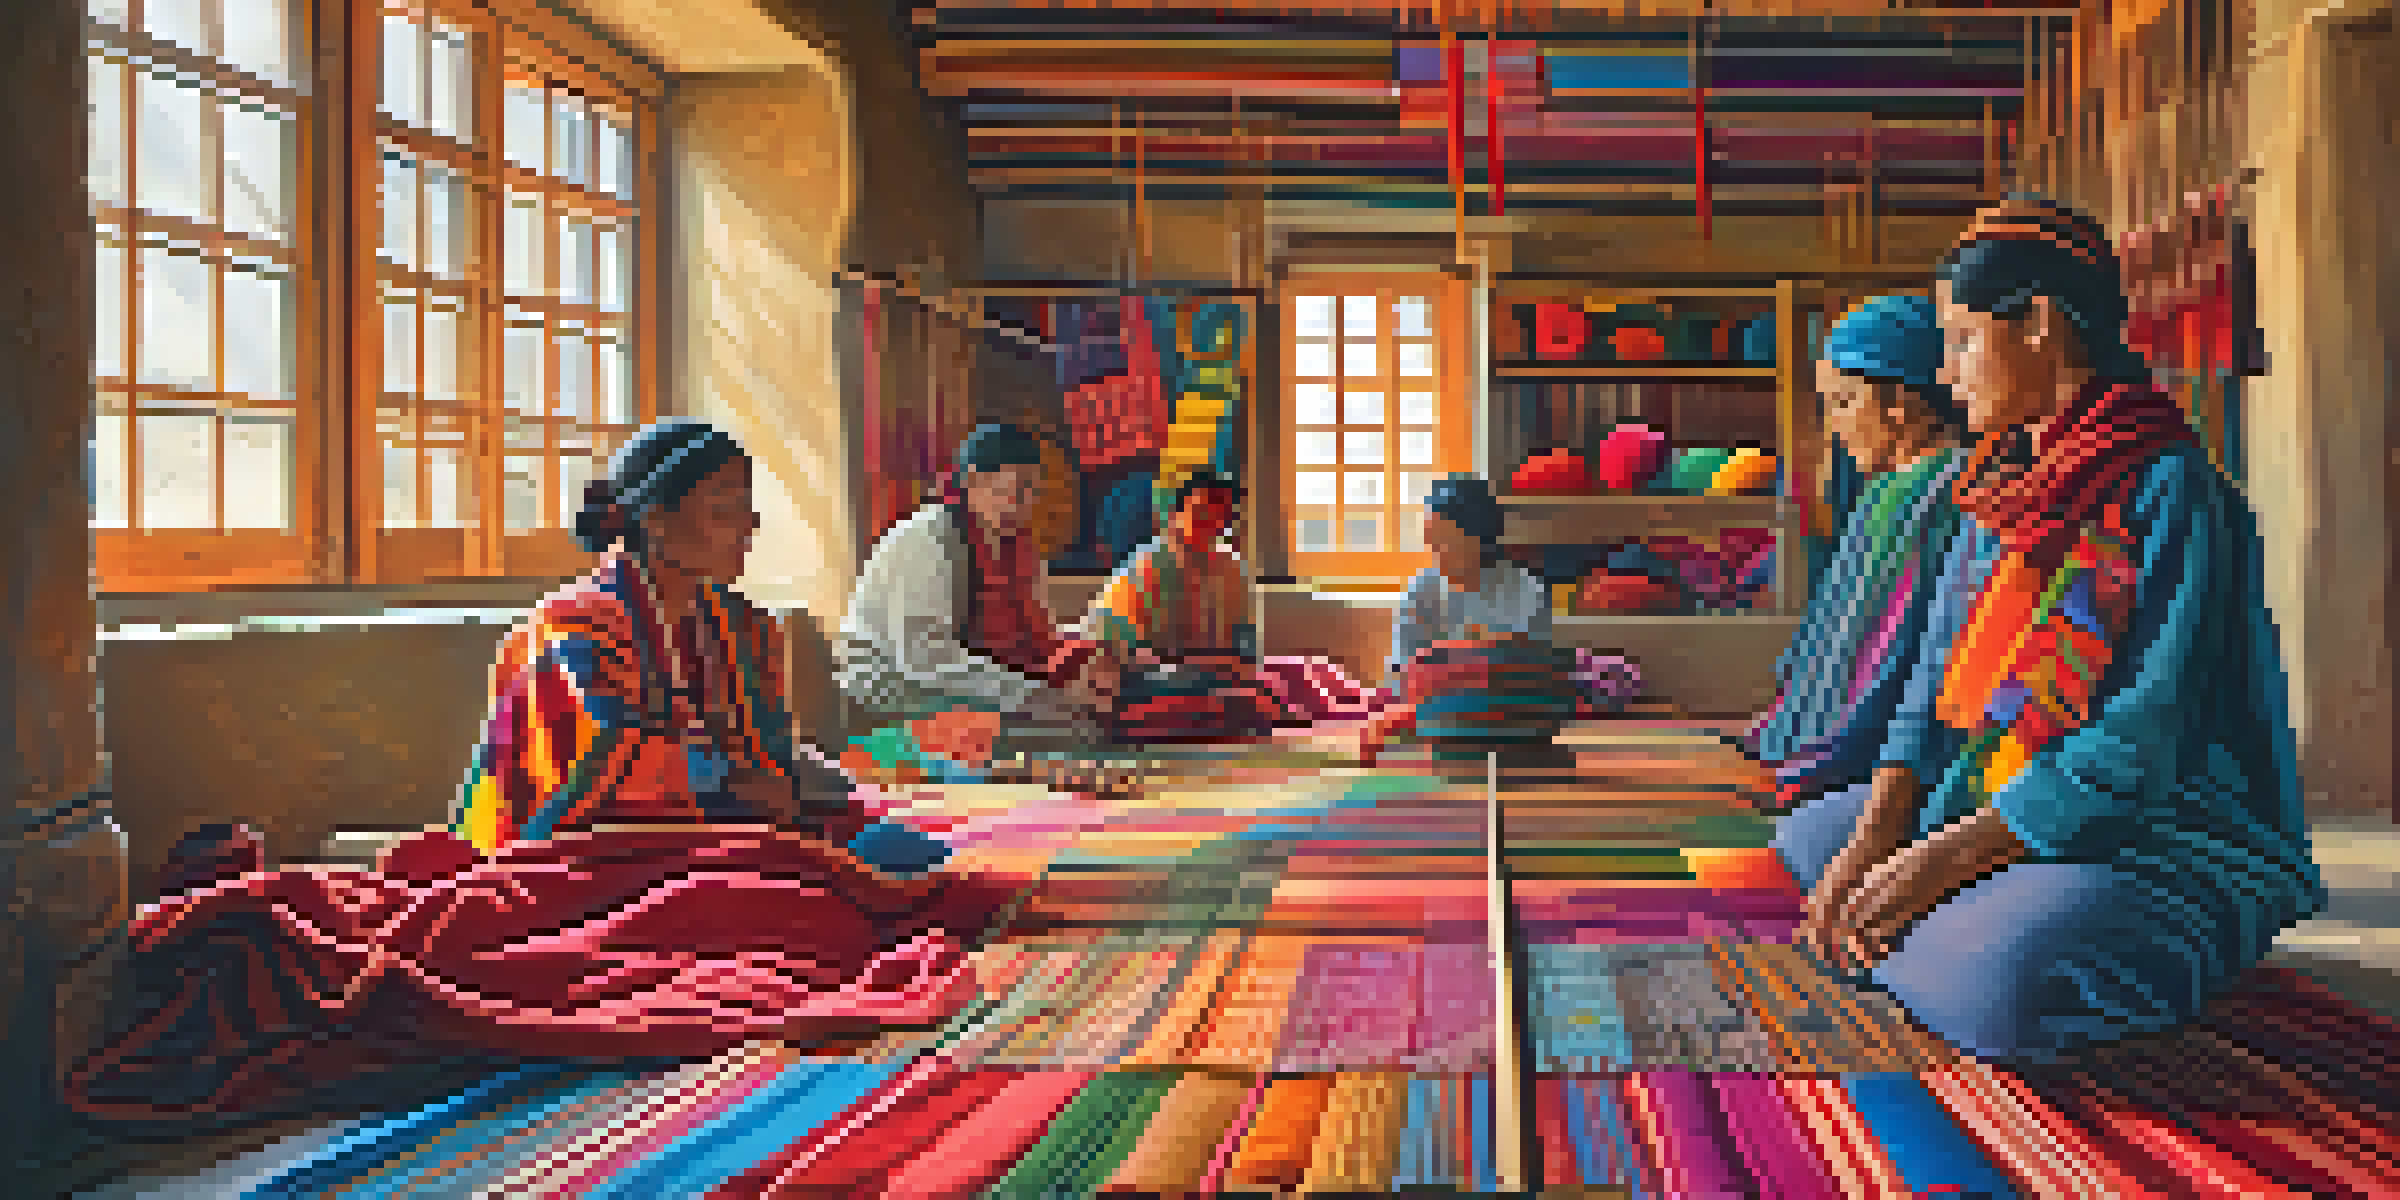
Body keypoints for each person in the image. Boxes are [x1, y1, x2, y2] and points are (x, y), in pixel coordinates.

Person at [68, 421, 1021, 1121]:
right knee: (800, 920)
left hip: (726, 823)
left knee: (915, 867)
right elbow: (591, 776)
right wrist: (744, 790)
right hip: (582, 848)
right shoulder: (568, 632)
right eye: (727, 510)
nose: (746, 530)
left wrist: (825, 796)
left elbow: (772, 745)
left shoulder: (744, 628)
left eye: (748, 511)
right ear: (656, 519)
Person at [1776, 195, 2324, 1063]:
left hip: (2160, 836)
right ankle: (1940, 933)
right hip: (1994, 803)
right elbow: (1927, 689)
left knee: (2000, 983)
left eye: (1960, 344)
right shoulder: (1990, 492)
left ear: (2034, 324)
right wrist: (1880, 839)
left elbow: (2139, 744)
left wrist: (1932, 868)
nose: (1947, 376)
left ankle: (1964, 945)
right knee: (1812, 837)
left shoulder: (2171, 491)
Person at [1750, 295, 1968, 818]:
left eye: (1845, 402)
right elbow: (1838, 623)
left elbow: (1899, 645)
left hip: (1883, 760)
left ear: (1905, 404)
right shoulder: (1886, 489)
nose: (1836, 426)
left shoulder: (1943, 491)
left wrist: (1834, 751)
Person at [837, 422, 1121, 738]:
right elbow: (924, 658)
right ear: (973, 481)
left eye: (1032, 490)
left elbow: (1040, 639)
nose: (1023, 503)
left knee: (1082, 721)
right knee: (1050, 731)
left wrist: (1087, 657)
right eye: (1014, 489)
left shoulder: (1018, 546)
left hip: (960, 679)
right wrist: (1027, 696)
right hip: (890, 687)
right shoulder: (930, 538)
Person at [1076, 469, 1284, 738]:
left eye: (1222, 515)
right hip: (1135, 677)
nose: (1212, 522)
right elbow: (1120, 650)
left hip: (1204, 675)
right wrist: (1204, 665)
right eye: (1201, 512)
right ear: (1176, 515)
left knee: (1280, 687)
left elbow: (1245, 646)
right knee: (1230, 702)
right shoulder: (1146, 565)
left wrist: (1235, 667)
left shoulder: (1232, 569)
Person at [1385, 473, 1552, 686]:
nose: (1434, 550)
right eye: (1430, 539)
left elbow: (1539, 673)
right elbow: (1401, 672)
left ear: (1479, 538)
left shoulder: (1526, 591)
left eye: (1444, 540)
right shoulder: (1422, 590)